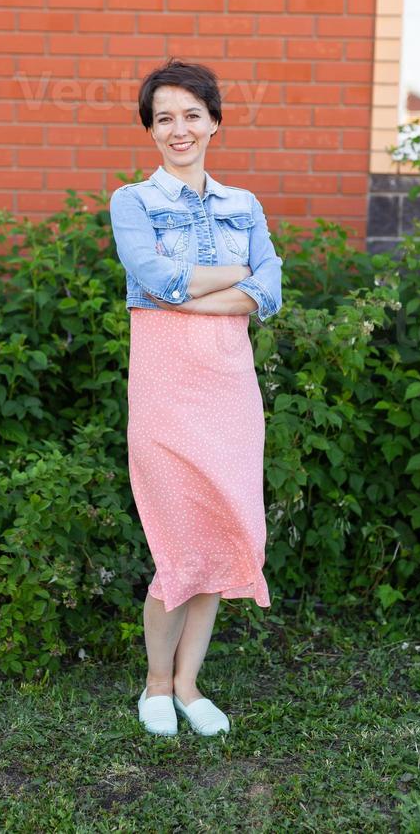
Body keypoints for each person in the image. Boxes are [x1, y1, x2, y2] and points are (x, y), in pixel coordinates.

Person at [109, 58, 283, 738]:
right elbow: (151, 280)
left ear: (214, 120)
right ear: (150, 129)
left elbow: (270, 292)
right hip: (165, 389)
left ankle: (188, 685)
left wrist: (202, 289)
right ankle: (155, 684)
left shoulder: (245, 205)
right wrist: (237, 279)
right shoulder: (133, 201)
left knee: (217, 534)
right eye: (163, 118)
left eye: (191, 114)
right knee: (178, 544)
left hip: (229, 392)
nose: (177, 129)